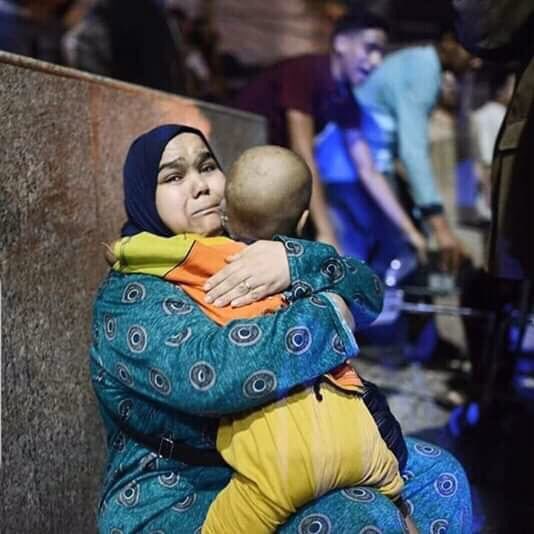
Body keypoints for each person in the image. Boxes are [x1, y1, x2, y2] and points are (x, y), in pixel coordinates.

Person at [91, 124, 472, 532]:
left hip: (291, 450)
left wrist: (294, 260)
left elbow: (367, 290)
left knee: (440, 477)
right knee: (362, 516)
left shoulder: (249, 248)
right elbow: (215, 374)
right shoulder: (129, 295)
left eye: (207, 166)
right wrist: (331, 311)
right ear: (143, 197)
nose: (200, 186)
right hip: (183, 489)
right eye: (173, 177)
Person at [234, 10, 425, 257]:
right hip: (238, 154)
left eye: (381, 52)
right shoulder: (305, 73)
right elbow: (304, 154)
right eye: (370, 48)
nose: (376, 61)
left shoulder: (345, 98)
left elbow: (368, 169)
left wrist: (410, 231)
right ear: (341, 43)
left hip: (269, 167)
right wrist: (327, 233)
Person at [355, 29, 480, 273]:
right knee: (396, 253)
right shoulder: (423, 72)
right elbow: (412, 153)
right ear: (449, 42)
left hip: (371, 165)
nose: (477, 62)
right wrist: (441, 230)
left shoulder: (418, 62)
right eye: (473, 52)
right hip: (358, 168)